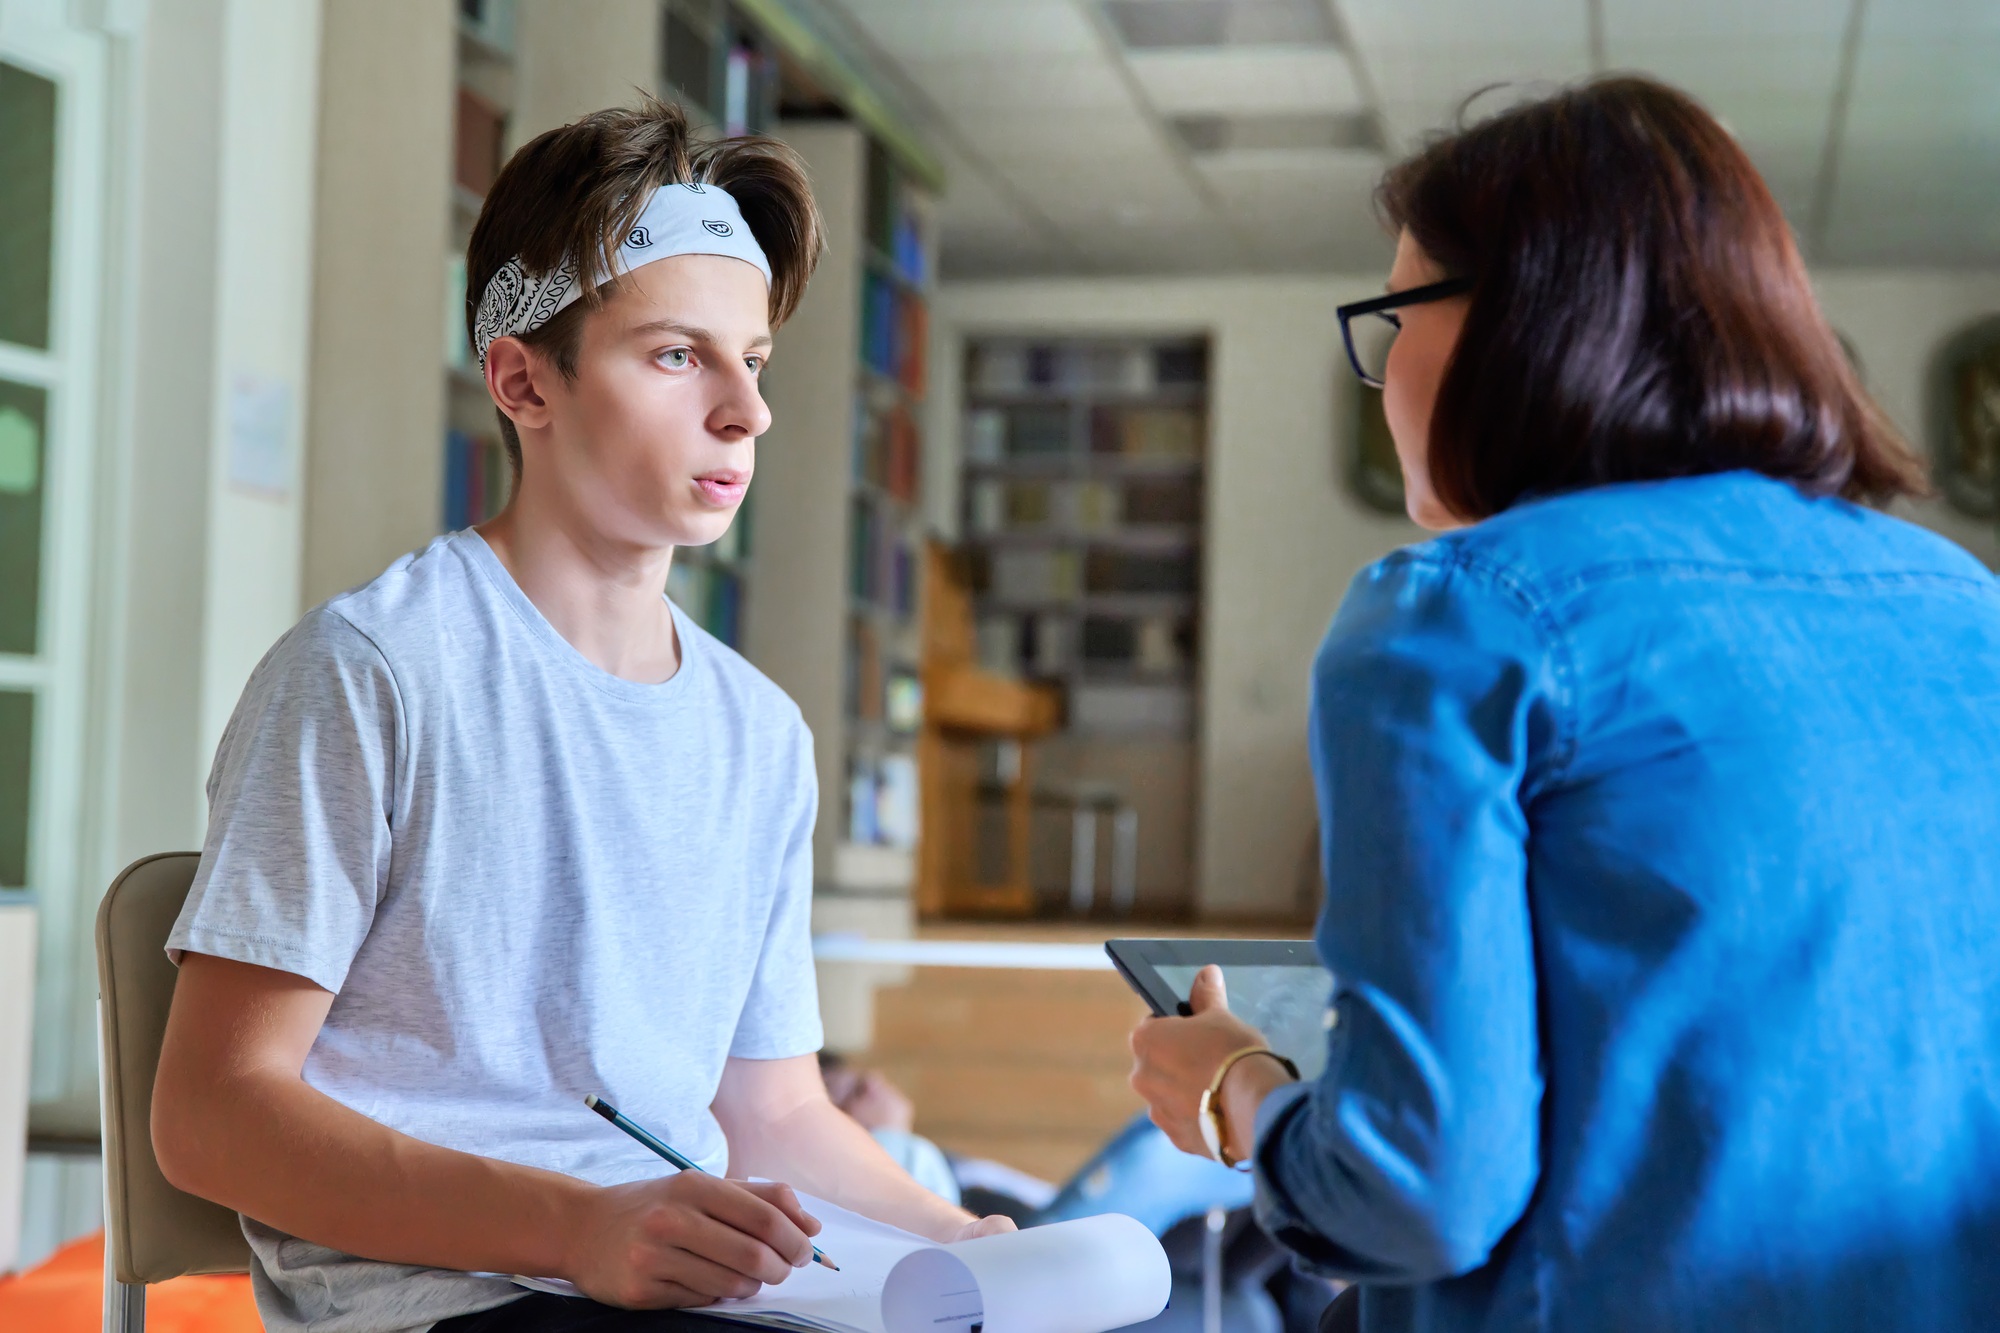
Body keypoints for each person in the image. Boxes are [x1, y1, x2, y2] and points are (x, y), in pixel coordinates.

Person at [1127, 76, 2000, 1333]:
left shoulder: (1457, 614)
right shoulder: (1962, 605)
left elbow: (1417, 1192)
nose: (1383, 382)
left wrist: (1242, 1086)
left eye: (1394, 314)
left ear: (1515, 326)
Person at [150, 98, 1009, 1333]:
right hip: (455, 1301)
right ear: (521, 380)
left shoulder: (759, 734)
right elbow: (212, 1112)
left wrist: (966, 1242)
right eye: (676, 356)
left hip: (688, 1292)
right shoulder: (371, 669)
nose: (745, 413)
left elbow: (771, 1112)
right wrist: (578, 1225)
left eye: (752, 360)